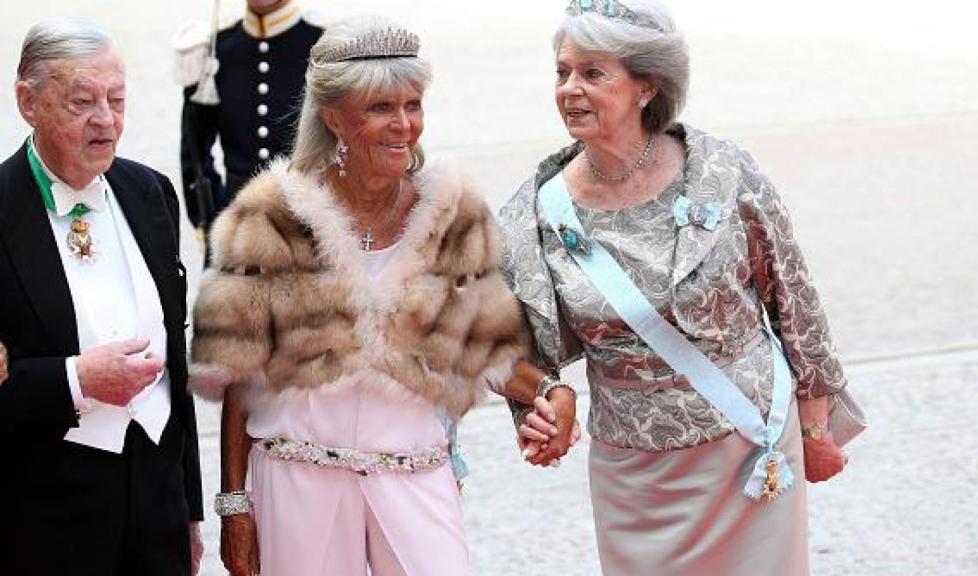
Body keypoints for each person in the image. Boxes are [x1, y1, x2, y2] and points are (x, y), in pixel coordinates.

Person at [188, 15, 560, 576]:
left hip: (414, 474)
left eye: (413, 105)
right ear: (334, 117)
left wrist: (551, 393)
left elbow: (485, 350)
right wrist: (234, 505)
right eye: (382, 108)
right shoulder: (271, 215)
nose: (404, 126)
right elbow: (240, 375)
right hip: (295, 478)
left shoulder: (450, 214)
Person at [501, 1, 849, 574]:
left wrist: (815, 428)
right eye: (562, 72)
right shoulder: (537, 212)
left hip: (750, 448)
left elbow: (795, 303)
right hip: (636, 475)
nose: (570, 90)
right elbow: (512, 348)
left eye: (593, 73)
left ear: (646, 86)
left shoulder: (723, 170)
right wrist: (538, 411)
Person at [0, 17, 203, 576]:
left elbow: (176, 365)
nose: (106, 121)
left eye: (117, 99)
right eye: (82, 102)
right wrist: (76, 381)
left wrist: (190, 508)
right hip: (42, 518)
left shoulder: (151, 192)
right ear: (28, 102)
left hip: (158, 504)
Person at [173, 0, 325, 237]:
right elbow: (194, 150)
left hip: (310, 229)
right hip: (234, 229)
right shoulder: (214, 48)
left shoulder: (323, 44)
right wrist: (212, 218)